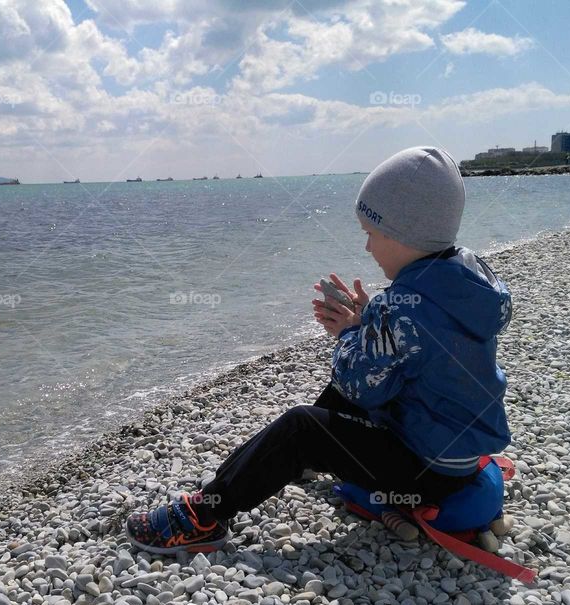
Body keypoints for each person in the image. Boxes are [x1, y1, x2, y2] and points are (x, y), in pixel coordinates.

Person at [126, 146, 513, 554]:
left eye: (371, 234)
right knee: (337, 404)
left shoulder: (399, 310)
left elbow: (361, 386)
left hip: (424, 469)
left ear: (401, 234)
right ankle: (301, 462)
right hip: (459, 454)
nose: (367, 248)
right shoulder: (470, 279)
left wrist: (349, 334)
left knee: (301, 428)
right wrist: (371, 323)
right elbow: (432, 343)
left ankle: (203, 516)